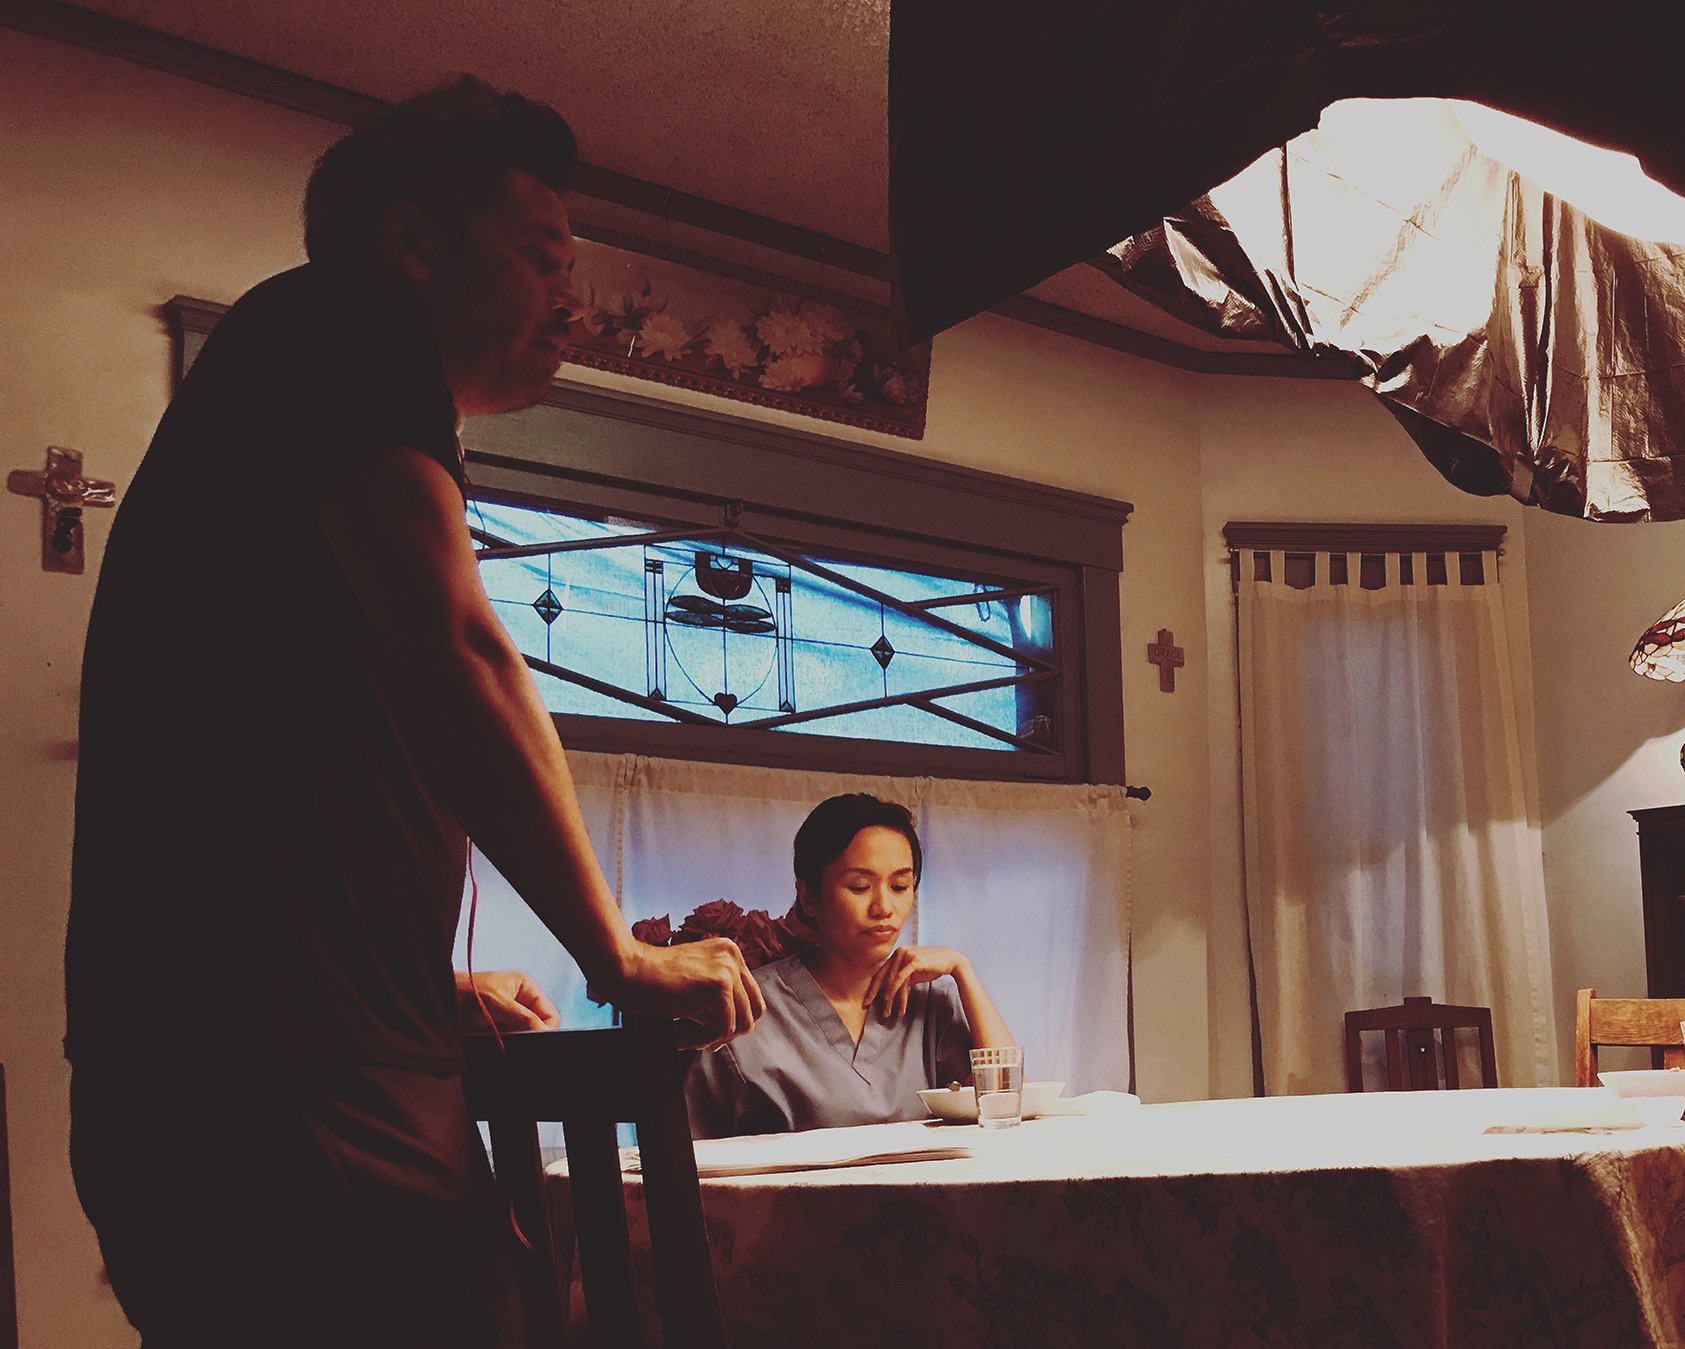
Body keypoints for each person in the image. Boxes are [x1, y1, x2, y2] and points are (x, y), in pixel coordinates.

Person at [67, 77, 763, 1348]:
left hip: (256, 1066)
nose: (576, 301)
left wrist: (416, 983)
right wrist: (621, 956)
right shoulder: (341, 319)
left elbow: (267, 774)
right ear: (413, 242)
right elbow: (462, 651)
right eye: (542, 257)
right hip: (291, 1086)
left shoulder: (284, 402)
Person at [686, 794, 1015, 1137]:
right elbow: (692, 1150)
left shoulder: (931, 1003)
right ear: (809, 897)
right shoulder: (752, 1008)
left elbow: (1005, 1103)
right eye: (860, 887)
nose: (884, 907)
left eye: (900, 886)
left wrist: (963, 970)